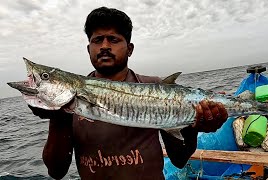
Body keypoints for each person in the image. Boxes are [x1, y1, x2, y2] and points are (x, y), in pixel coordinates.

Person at [29, 7, 228, 180]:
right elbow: (56, 172)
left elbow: (179, 159)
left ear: (130, 49)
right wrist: (56, 116)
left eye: (113, 39)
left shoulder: (154, 86)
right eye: (98, 40)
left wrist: (194, 127)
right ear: (88, 48)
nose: (105, 46)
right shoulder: (69, 103)